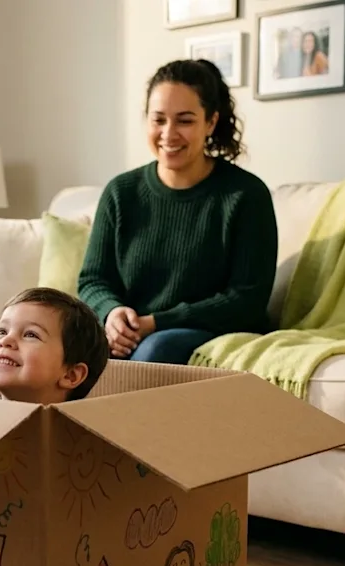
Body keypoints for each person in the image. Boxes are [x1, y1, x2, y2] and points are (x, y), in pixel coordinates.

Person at [77, 59, 278, 365]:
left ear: (210, 122)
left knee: (154, 351)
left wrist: (156, 322)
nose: (168, 134)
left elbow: (246, 300)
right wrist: (113, 313)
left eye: (184, 120)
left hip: (205, 330)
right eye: (158, 120)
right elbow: (93, 280)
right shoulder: (120, 192)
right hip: (134, 330)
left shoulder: (246, 196)